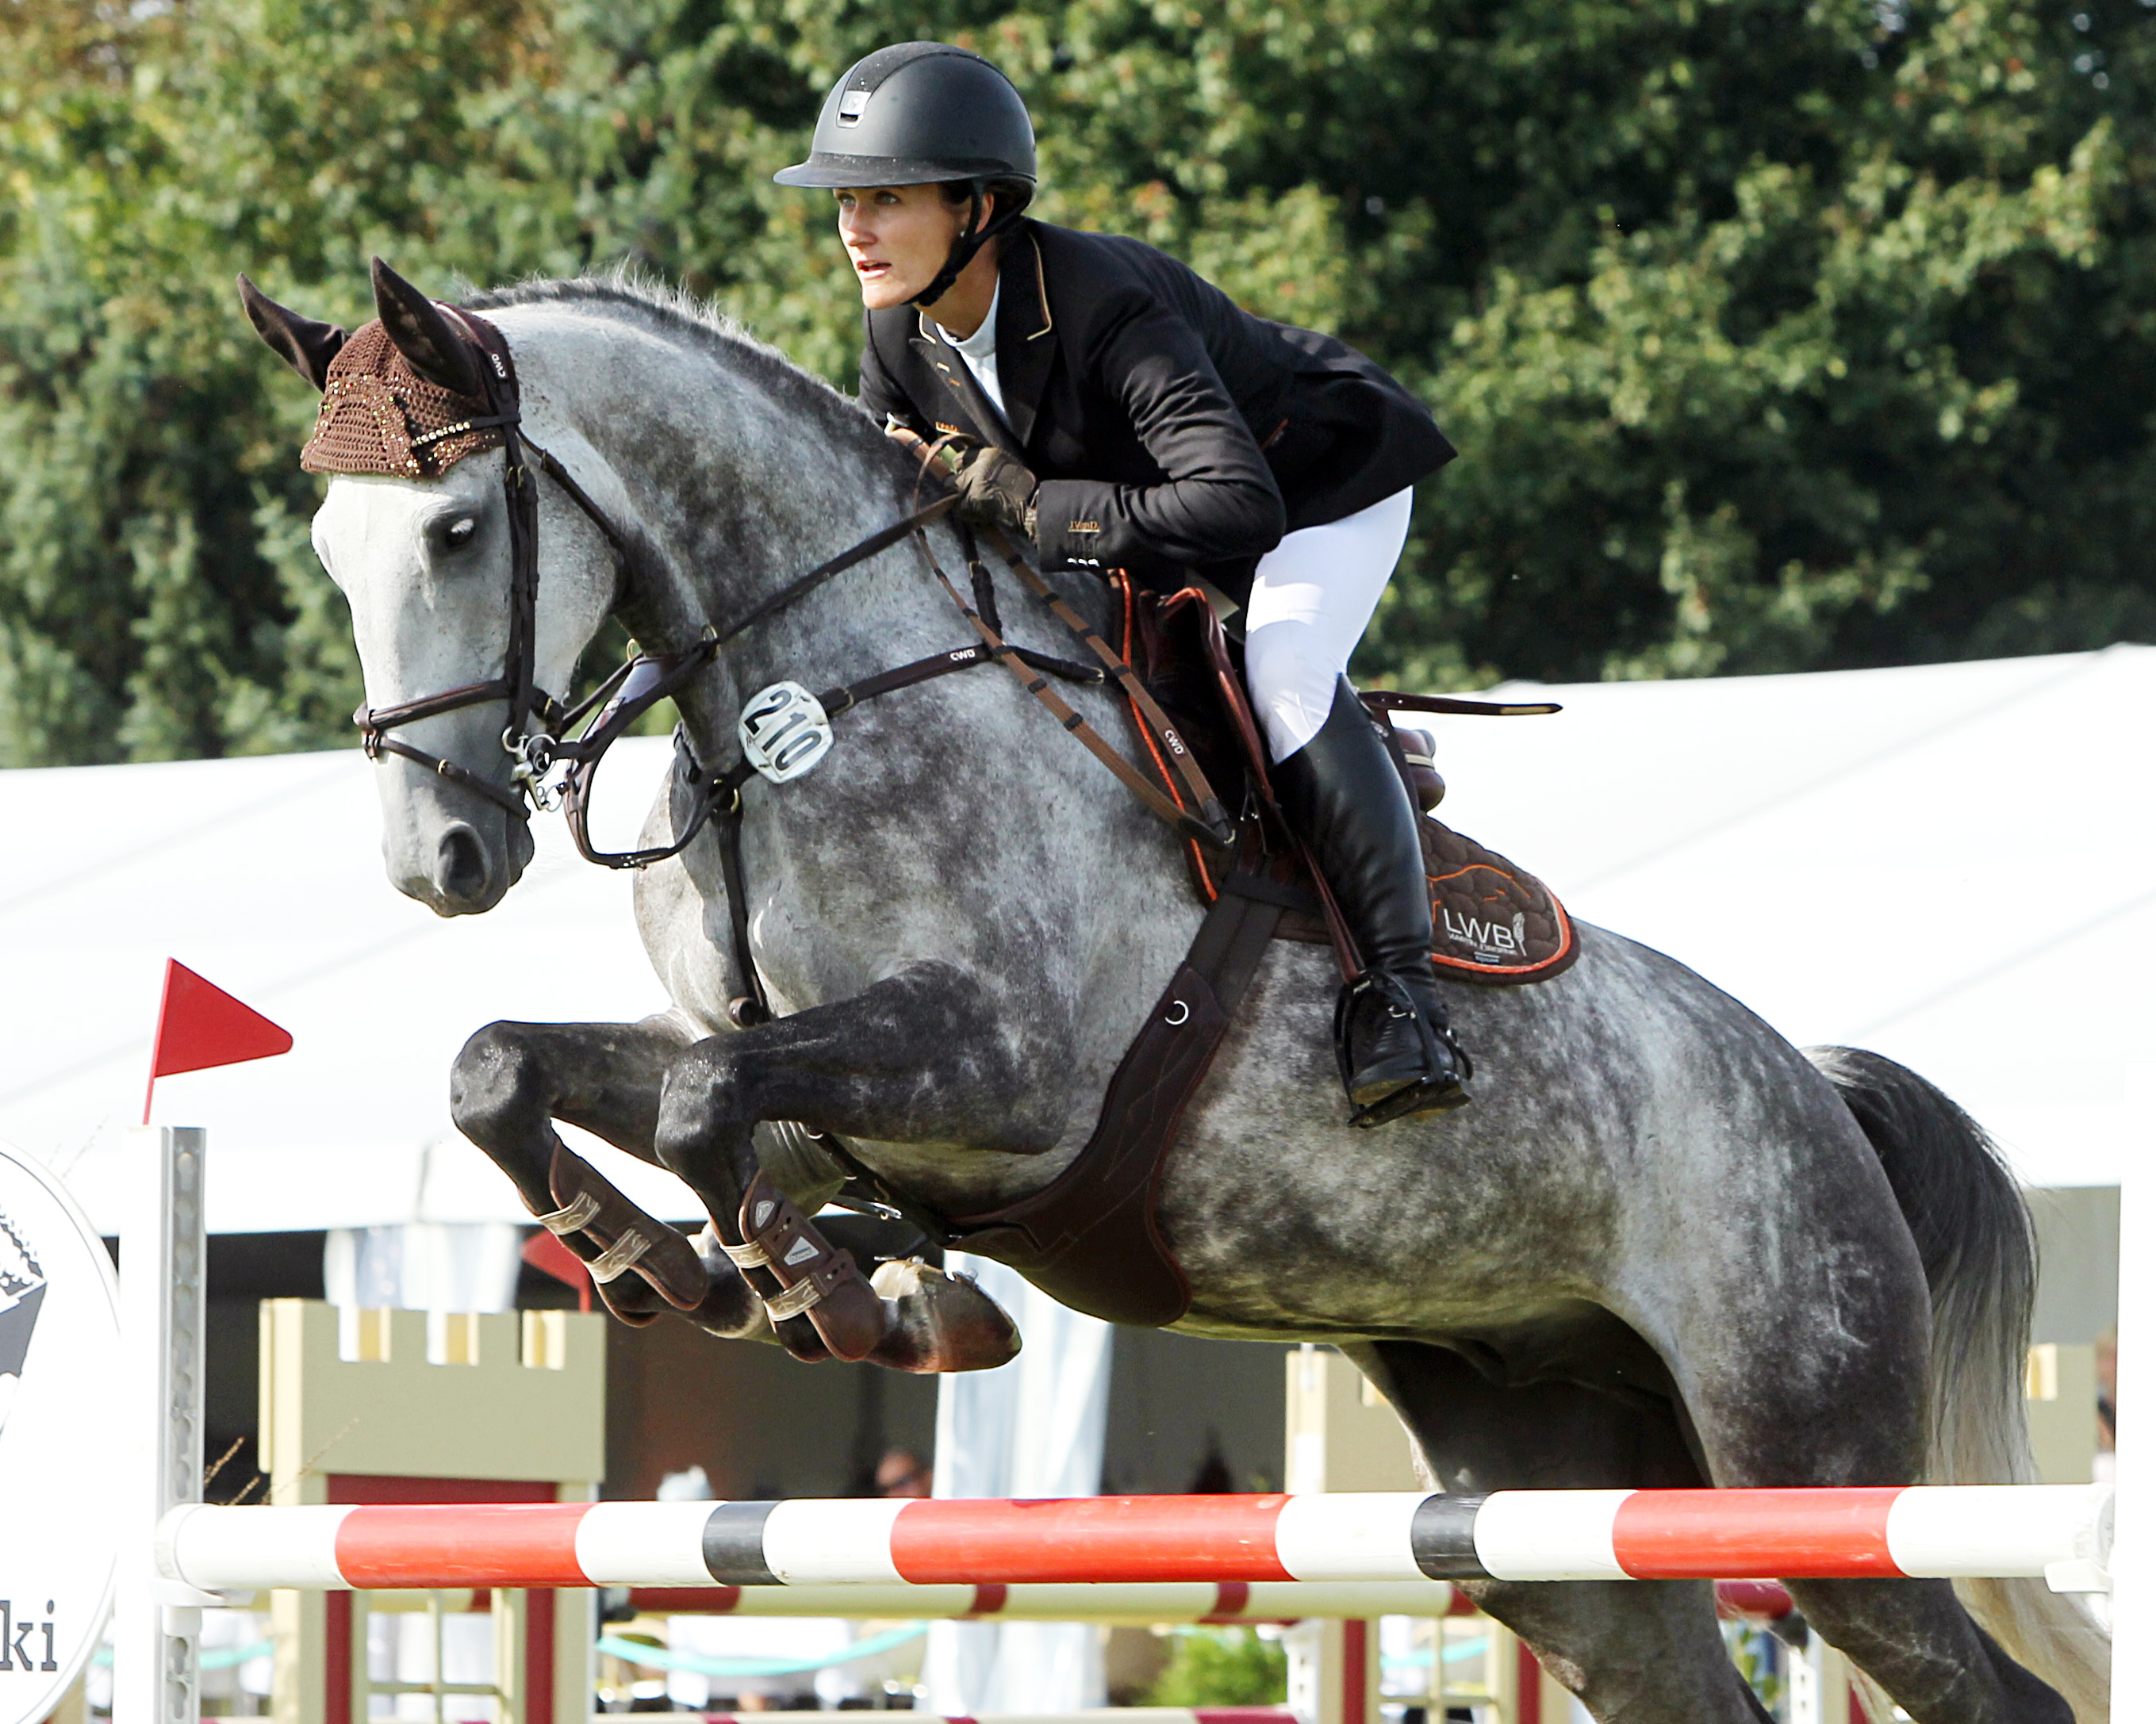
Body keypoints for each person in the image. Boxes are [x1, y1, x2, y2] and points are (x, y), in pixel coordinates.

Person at [775, 42, 1469, 1124]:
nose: (852, 229)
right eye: (844, 200)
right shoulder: (896, 330)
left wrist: (1033, 505)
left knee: (1280, 670)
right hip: (1163, 518)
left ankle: (1404, 1003)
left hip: (1318, 484)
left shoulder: (1101, 303)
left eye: (885, 198)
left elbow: (1240, 509)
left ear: (978, 206)